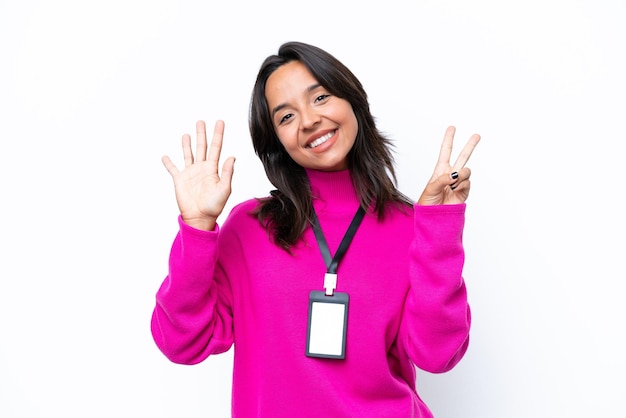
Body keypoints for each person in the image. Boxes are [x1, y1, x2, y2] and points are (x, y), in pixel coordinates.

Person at [151, 41, 480, 418]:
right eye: (286, 117)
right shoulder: (250, 229)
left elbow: (438, 355)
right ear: (276, 142)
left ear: (352, 100)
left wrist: (439, 231)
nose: (308, 120)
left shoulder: (410, 228)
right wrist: (197, 229)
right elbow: (180, 343)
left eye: (320, 97)